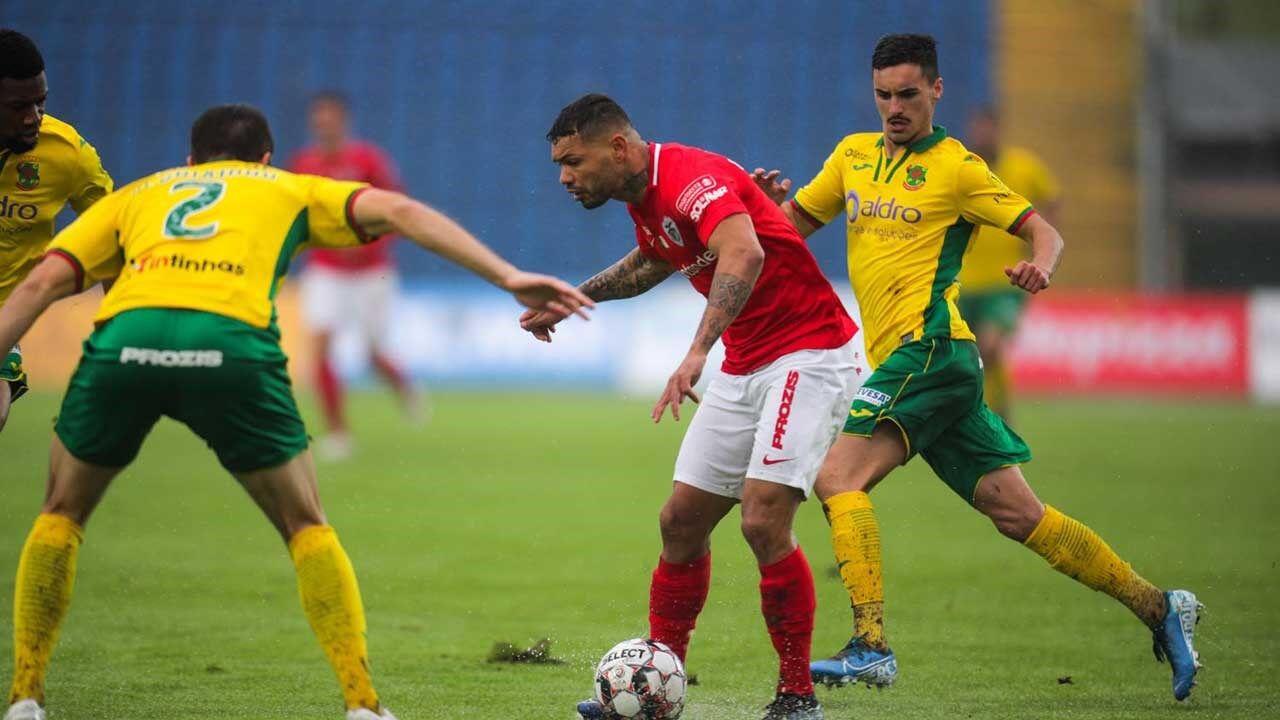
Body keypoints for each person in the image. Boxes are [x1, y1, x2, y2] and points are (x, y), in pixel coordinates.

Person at [0, 104, 592, 720]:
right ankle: (362, 704)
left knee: (61, 513)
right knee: (305, 523)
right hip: (228, 343)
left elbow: (41, 283)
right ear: (265, 159)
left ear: (190, 160)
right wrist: (507, 276)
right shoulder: (287, 187)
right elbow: (401, 211)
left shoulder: (138, 195)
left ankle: (25, 698)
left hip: (127, 339)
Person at [750, 34, 1202, 702]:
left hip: (930, 349)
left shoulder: (958, 168)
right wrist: (762, 208)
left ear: (936, 91)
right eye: (884, 95)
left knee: (837, 475)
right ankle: (1159, 606)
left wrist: (1039, 266)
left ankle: (871, 644)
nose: (895, 107)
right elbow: (787, 231)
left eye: (908, 94)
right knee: (1019, 514)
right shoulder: (851, 157)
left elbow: (1044, 230)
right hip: (925, 366)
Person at [523, 94, 862, 720]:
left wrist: (696, 351)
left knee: (762, 520)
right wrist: (574, 298)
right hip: (748, 359)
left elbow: (745, 253)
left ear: (617, 147)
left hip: (809, 353)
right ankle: (659, 688)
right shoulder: (645, 199)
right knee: (680, 521)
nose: (565, 177)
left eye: (573, 161)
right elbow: (653, 262)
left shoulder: (688, 178)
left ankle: (797, 696)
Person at [289, 91, 416, 461]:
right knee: (320, 347)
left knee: (372, 354)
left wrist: (368, 243)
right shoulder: (303, 164)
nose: (324, 124)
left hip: (371, 273)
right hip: (325, 270)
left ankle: (405, 389)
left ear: (344, 121)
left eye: (331, 117)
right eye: (319, 118)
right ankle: (338, 433)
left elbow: (398, 210)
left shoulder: (368, 160)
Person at [0, 28, 112, 432]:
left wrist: (116, 332)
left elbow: (112, 231)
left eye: (40, 102)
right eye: (19, 106)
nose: (33, 116)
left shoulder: (66, 153)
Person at [956, 106, 1062, 423]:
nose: (982, 135)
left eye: (988, 128)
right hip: (964, 281)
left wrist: (1038, 246)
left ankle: (996, 415)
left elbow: (1052, 200)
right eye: (978, 128)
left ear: (998, 130)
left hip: (1006, 281)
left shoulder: (1024, 167)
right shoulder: (964, 170)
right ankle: (986, 412)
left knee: (990, 346)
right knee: (969, 356)